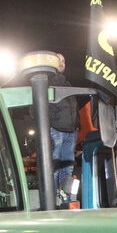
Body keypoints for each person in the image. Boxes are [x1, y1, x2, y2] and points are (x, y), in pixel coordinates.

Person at [44, 54, 80, 203]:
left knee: (68, 169)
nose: (62, 63)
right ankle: (51, 202)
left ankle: (65, 202)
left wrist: (77, 124)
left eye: (64, 60)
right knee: (53, 169)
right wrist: (51, 123)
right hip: (56, 130)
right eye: (59, 60)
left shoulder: (67, 83)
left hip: (70, 131)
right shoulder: (45, 81)